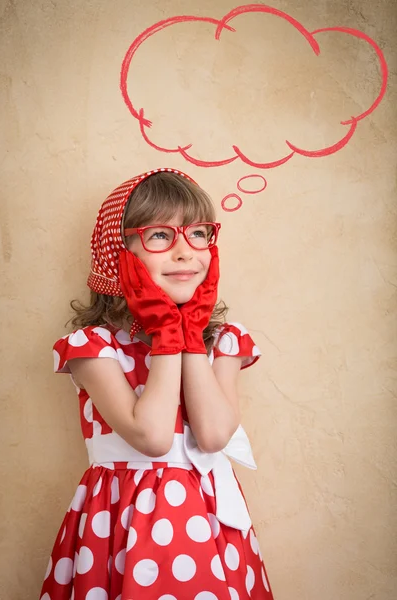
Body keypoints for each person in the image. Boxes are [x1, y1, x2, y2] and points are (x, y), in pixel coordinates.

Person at [40, 168, 274, 600]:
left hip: (209, 522)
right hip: (124, 521)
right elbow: (151, 436)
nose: (186, 253)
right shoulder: (93, 347)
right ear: (118, 252)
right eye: (161, 236)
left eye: (199, 234)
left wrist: (189, 333)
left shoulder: (223, 341)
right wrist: (167, 331)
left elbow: (213, 434)